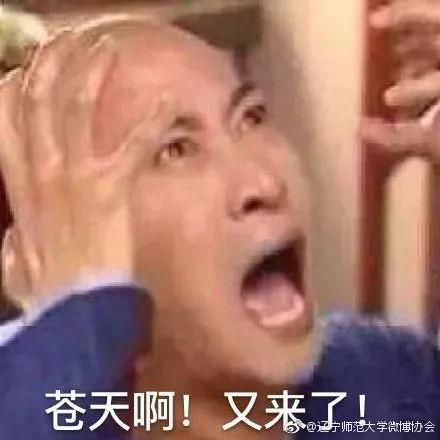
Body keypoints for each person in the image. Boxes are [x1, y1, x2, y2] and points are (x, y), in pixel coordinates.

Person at [0, 2, 439, 439]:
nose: (264, 184)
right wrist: (72, 329)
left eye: (251, 116)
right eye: (175, 150)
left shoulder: (385, 387)